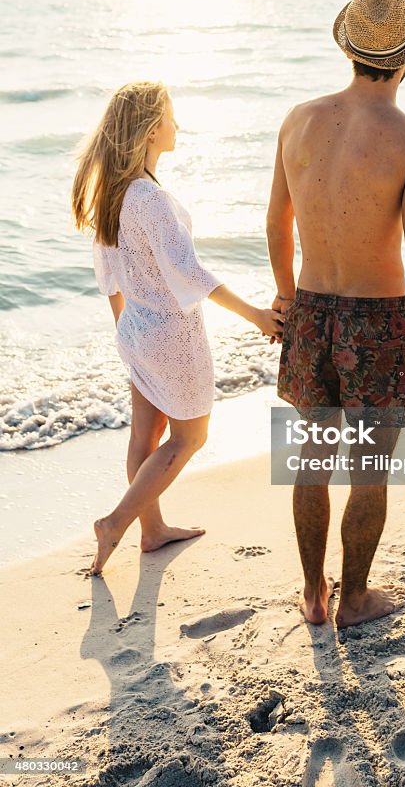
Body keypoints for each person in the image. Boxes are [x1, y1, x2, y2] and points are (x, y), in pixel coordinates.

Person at [267, 0, 405, 628]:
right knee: (369, 469)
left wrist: (284, 297)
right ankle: (354, 600)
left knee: (313, 456)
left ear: (346, 44)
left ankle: (311, 596)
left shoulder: (297, 121)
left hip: (310, 310)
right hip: (376, 321)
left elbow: (277, 222)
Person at [72, 81, 284, 575]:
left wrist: (129, 334)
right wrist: (254, 314)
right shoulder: (149, 198)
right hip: (169, 334)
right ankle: (118, 523)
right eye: (170, 117)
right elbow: (188, 273)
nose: (177, 126)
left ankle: (152, 530)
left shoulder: (114, 193)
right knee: (190, 438)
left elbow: (110, 277)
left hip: (136, 328)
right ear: (149, 130)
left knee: (146, 436)